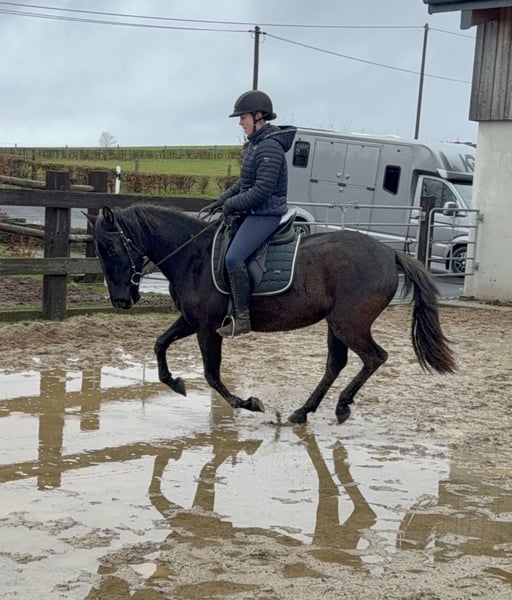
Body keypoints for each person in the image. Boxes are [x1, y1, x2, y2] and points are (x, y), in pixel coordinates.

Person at [210, 90, 297, 337]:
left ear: (258, 116)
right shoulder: (256, 145)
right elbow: (244, 183)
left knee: (233, 258)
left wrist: (231, 205)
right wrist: (221, 199)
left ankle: (243, 317)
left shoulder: (269, 147)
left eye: (243, 117)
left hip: (266, 214)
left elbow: (261, 190)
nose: (240, 123)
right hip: (255, 211)